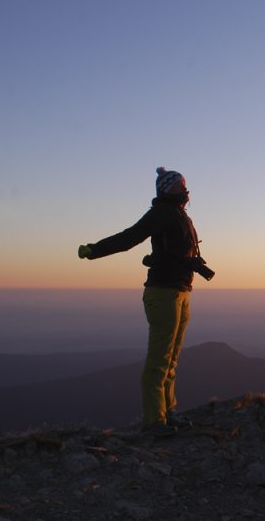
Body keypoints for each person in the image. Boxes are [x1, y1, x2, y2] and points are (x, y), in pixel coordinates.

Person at [78, 167, 213, 435]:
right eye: (180, 185)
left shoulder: (179, 214)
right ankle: (154, 421)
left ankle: (168, 411)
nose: (186, 189)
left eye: (185, 184)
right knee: (160, 358)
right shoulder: (161, 213)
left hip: (180, 291)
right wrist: (95, 250)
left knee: (171, 357)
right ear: (167, 188)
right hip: (163, 292)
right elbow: (130, 237)